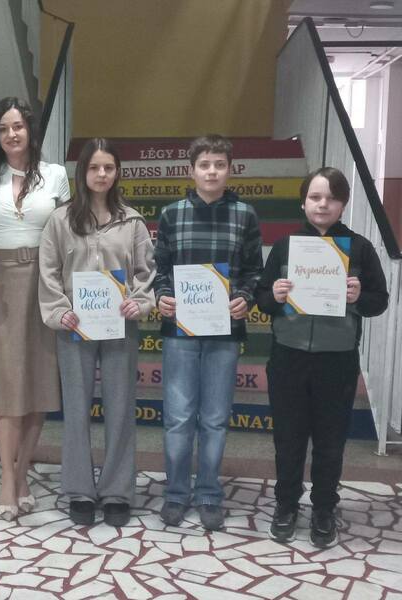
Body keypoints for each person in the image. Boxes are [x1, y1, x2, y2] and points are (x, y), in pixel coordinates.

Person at [256, 167, 388, 547]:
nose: (322, 204)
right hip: (289, 357)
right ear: (303, 202)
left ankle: (324, 508)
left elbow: (379, 301)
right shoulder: (285, 246)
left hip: (337, 360)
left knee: (330, 441)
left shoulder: (359, 248)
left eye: (331, 198)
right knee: (288, 438)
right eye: (315, 197)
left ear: (343, 203)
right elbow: (262, 298)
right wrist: (274, 296)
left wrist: (358, 297)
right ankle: (286, 505)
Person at [39, 138, 155, 526]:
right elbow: (49, 272)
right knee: (76, 409)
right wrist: (61, 311)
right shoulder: (60, 221)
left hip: (120, 326)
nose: (102, 174)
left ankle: (117, 491)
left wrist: (139, 302)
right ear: (82, 172)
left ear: (117, 172)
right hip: (75, 327)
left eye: (108, 167)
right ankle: (79, 490)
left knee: (120, 408)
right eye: (94, 167)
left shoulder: (132, 221)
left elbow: (146, 272)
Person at [0, 97, 70, 520]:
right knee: (7, 390)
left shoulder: (56, 175)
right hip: (1, 286)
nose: (12, 134)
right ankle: (8, 481)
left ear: (30, 130)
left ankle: (22, 472)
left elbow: (67, 234)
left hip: (45, 283)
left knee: (39, 386)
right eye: (3, 128)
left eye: (18, 126)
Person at [153, 134, 263, 531]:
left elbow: (254, 270)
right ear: (191, 170)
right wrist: (163, 296)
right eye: (204, 165)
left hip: (224, 332)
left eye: (219, 164)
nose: (212, 171)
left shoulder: (245, 215)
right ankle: (176, 493)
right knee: (179, 417)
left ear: (230, 170)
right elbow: (159, 270)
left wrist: (245, 297)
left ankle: (209, 493)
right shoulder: (171, 214)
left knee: (215, 417)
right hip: (179, 331)